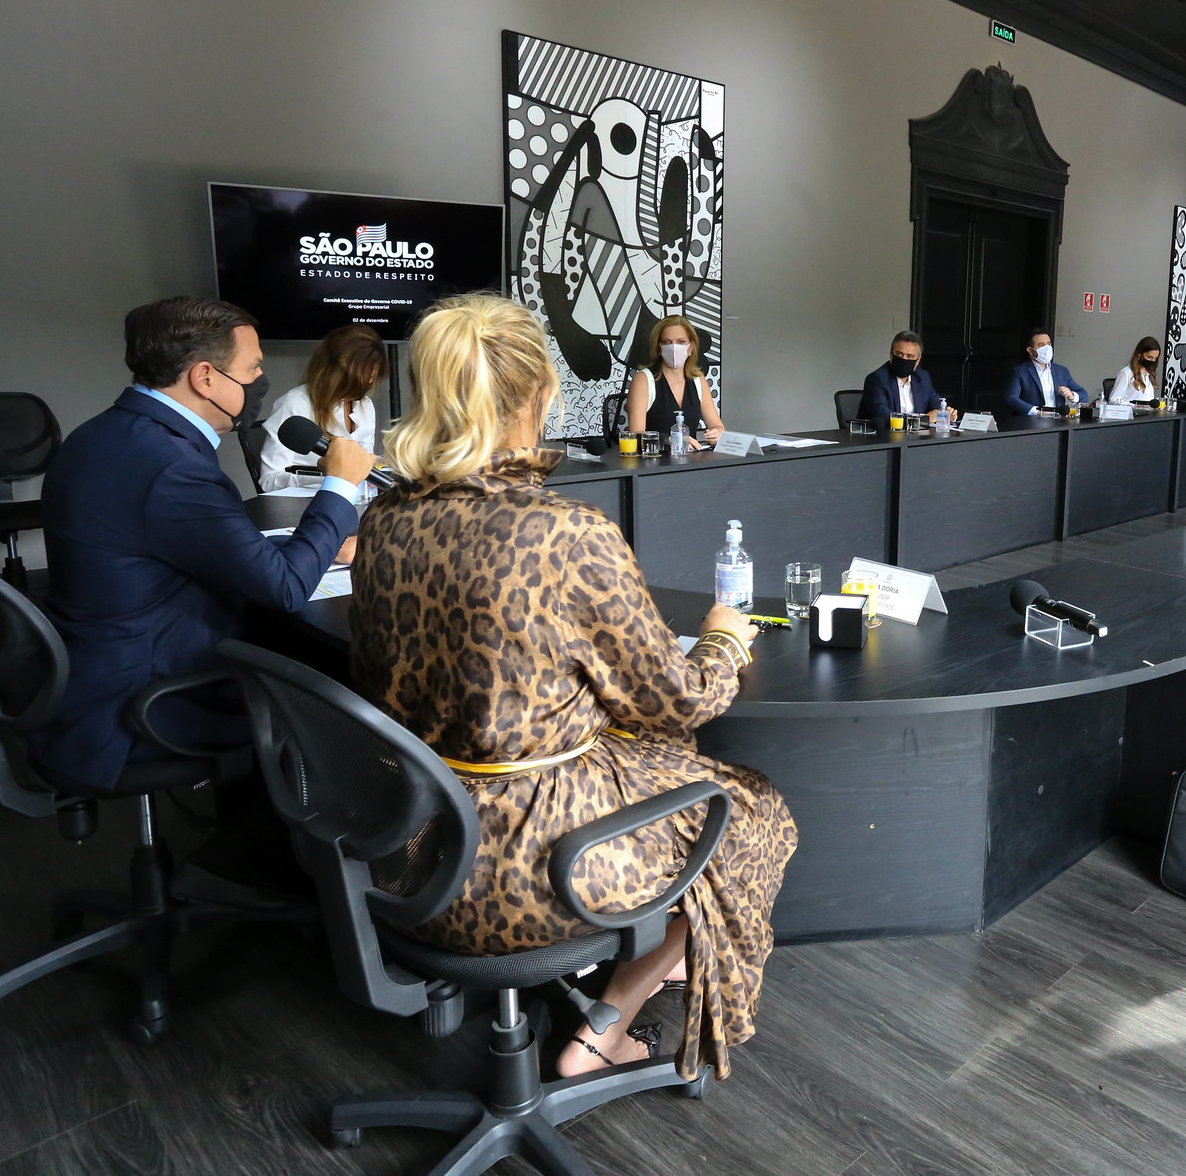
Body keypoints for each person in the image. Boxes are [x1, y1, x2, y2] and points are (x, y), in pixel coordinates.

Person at [348, 293, 796, 1084]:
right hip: (530, 865)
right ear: (539, 395)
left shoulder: (384, 518)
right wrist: (724, 638)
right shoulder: (564, 532)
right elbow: (677, 703)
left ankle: (662, 949)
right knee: (753, 809)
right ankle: (605, 1026)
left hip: (407, 842)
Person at [37, 298, 372, 792]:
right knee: (348, 696)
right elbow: (285, 588)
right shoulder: (172, 466)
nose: (261, 380)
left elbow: (205, 545)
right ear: (205, 378)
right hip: (142, 707)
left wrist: (318, 545)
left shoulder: (104, 433)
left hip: (98, 672)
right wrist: (340, 485)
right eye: (253, 367)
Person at [256, 323, 389, 492]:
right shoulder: (295, 403)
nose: (369, 383)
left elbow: (365, 471)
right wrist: (331, 477)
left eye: (372, 377)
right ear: (336, 372)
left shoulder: (365, 405)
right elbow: (269, 480)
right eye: (362, 378)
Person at [627, 315, 724, 445]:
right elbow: (636, 435)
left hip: (691, 456)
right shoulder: (643, 380)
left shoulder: (698, 379)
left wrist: (717, 433)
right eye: (667, 342)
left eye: (681, 342)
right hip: (655, 456)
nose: (673, 347)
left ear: (691, 348)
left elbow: (717, 425)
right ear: (658, 348)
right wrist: (669, 441)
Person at [859, 330, 956, 422]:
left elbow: (937, 407)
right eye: (899, 354)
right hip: (885, 433)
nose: (904, 359)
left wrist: (946, 413)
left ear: (918, 360)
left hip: (919, 434)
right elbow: (884, 417)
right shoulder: (877, 380)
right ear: (891, 353)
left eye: (910, 356)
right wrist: (924, 420)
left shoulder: (922, 377)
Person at [1004, 328, 1083, 413]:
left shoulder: (1061, 371)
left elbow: (1083, 394)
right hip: (1032, 420)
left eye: (1049, 344)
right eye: (1041, 345)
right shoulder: (1020, 372)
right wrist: (1036, 412)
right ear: (1030, 350)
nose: (1047, 348)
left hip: (1058, 420)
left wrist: (1072, 396)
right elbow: (1011, 398)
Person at [1114, 336, 1163, 402]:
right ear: (1140, 354)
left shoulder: (1149, 375)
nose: (1153, 361)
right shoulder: (1126, 373)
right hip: (1131, 408)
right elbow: (1114, 400)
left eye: (1155, 358)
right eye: (1149, 357)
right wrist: (1133, 406)